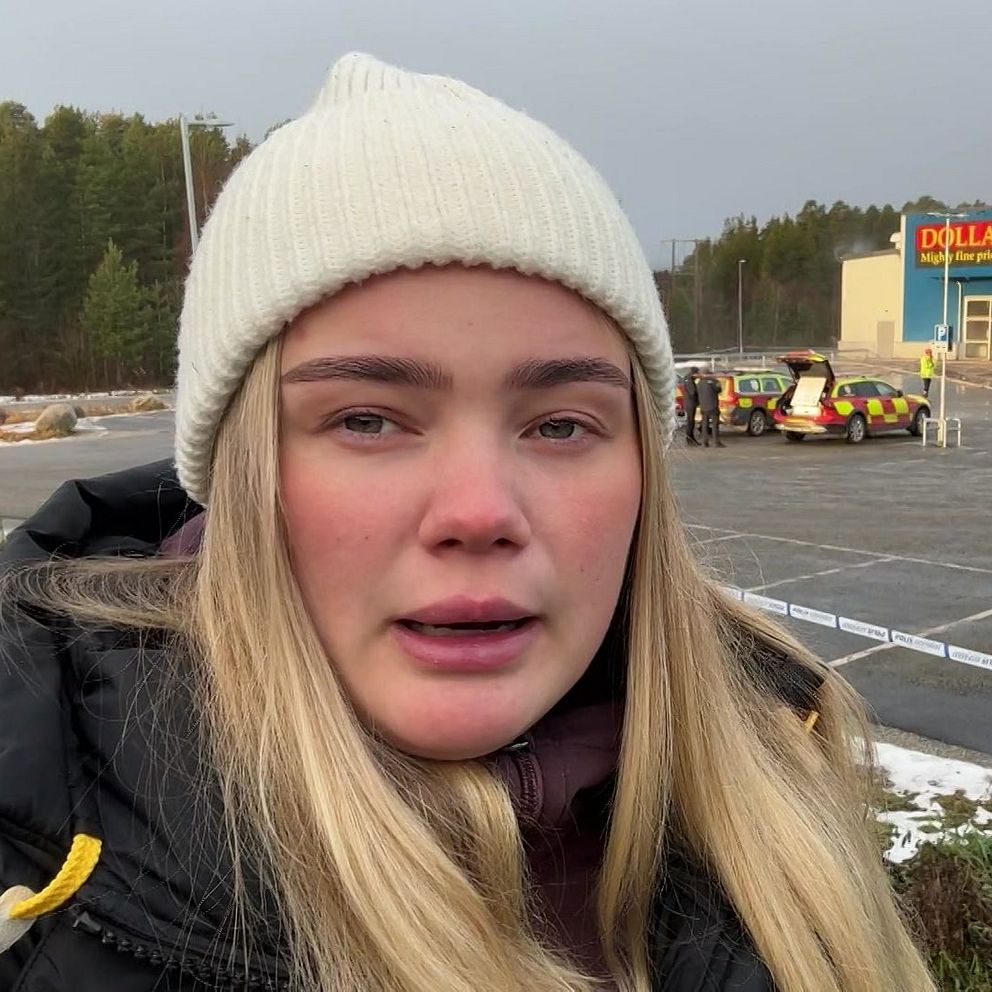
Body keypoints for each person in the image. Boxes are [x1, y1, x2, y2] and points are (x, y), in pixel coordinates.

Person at [0, 54, 935, 992]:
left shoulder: (785, 809)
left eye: (560, 425)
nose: (480, 513)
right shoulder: (34, 894)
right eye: (367, 420)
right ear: (242, 477)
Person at [697, 373, 724, 447]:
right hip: (713, 406)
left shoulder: (699, 382)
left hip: (703, 406)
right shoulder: (714, 381)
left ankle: (704, 442)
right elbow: (719, 390)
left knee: (704, 425)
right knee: (715, 424)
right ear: (710, 374)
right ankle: (716, 442)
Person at [682, 367, 700, 445]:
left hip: (689, 402)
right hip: (691, 403)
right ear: (694, 373)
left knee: (690, 421)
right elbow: (692, 392)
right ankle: (690, 439)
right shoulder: (689, 380)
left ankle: (691, 438)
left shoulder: (687, 378)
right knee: (690, 422)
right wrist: (698, 390)